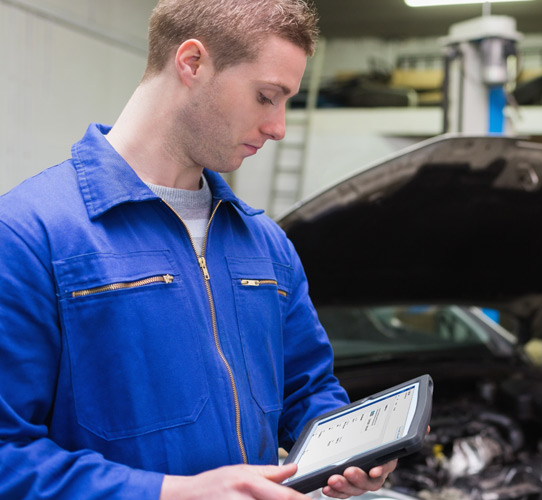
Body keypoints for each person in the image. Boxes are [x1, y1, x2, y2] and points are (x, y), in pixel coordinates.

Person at [0, 1, 396, 498]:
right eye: (266, 96)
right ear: (191, 62)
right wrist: (172, 492)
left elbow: (308, 389)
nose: (279, 127)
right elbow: (7, 454)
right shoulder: (28, 235)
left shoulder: (266, 245)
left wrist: (349, 447)